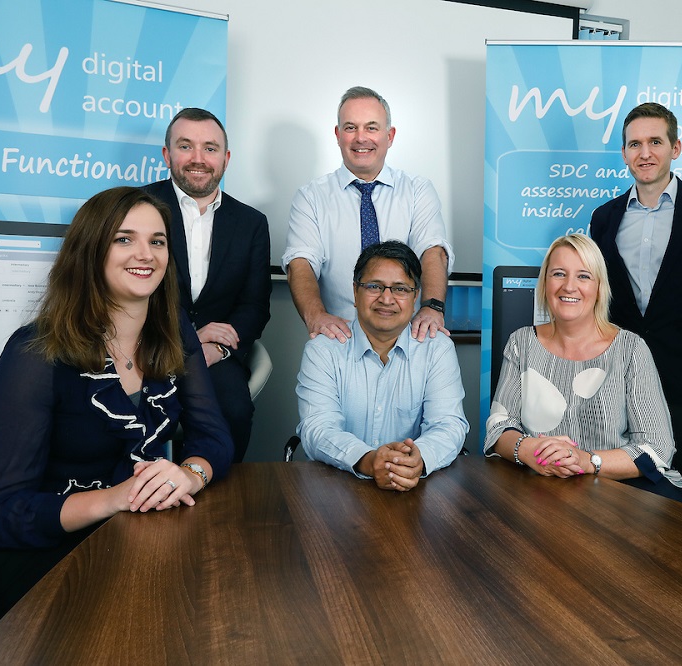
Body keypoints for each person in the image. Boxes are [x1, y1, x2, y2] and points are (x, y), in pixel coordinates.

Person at [0, 187, 234, 630]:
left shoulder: (174, 331)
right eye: (123, 238)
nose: (145, 254)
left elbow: (214, 437)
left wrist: (189, 474)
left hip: (134, 540)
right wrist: (115, 499)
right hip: (46, 559)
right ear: (91, 250)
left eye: (157, 241)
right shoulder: (35, 352)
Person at [484, 234, 682, 501]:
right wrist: (529, 449)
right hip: (541, 495)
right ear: (544, 284)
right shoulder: (521, 343)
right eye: (558, 274)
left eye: (583, 276)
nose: (569, 286)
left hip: (620, 498)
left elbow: (657, 448)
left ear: (600, 288)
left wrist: (586, 460)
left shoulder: (631, 349)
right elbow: (499, 426)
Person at [145, 107, 271, 463]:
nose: (198, 159)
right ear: (167, 155)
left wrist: (218, 351)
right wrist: (188, 339)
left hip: (218, 357)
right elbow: (124, 291)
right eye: (186, 146)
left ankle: (217, 506)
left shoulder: (251, 223)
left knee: (234, 413)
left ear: (226, 158)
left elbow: (255, 306)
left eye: (210, 148)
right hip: (147, 347)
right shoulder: (138, 207)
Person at [282, 86, 453, 344]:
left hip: (410, 336)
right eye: (351, 128)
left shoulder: (418, 191)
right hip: (341, 337)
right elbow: (300, 263)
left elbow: (433, 251)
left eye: (371, 127)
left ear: (390, 135)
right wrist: (316, 316)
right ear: (338, 135)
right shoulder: (311, 197)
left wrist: (432, 307)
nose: (361, 138)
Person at [296, 240, 468, 491]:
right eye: (374, 286)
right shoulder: (323, 350)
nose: (386, 299)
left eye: (400, 289)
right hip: (339, 490)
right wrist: (368, 460)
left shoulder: (436, 348)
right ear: (355, 292)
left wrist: (416, 460)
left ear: (415, 296)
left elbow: (449, 424)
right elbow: (318, 428)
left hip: (416, 488)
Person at [590, 102, 682, 409]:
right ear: (624, 153)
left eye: (655, 142)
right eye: (635, 144)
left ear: (675, 148)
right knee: (616, 458)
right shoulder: (604, 218)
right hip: (614, 376)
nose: (645, 153)